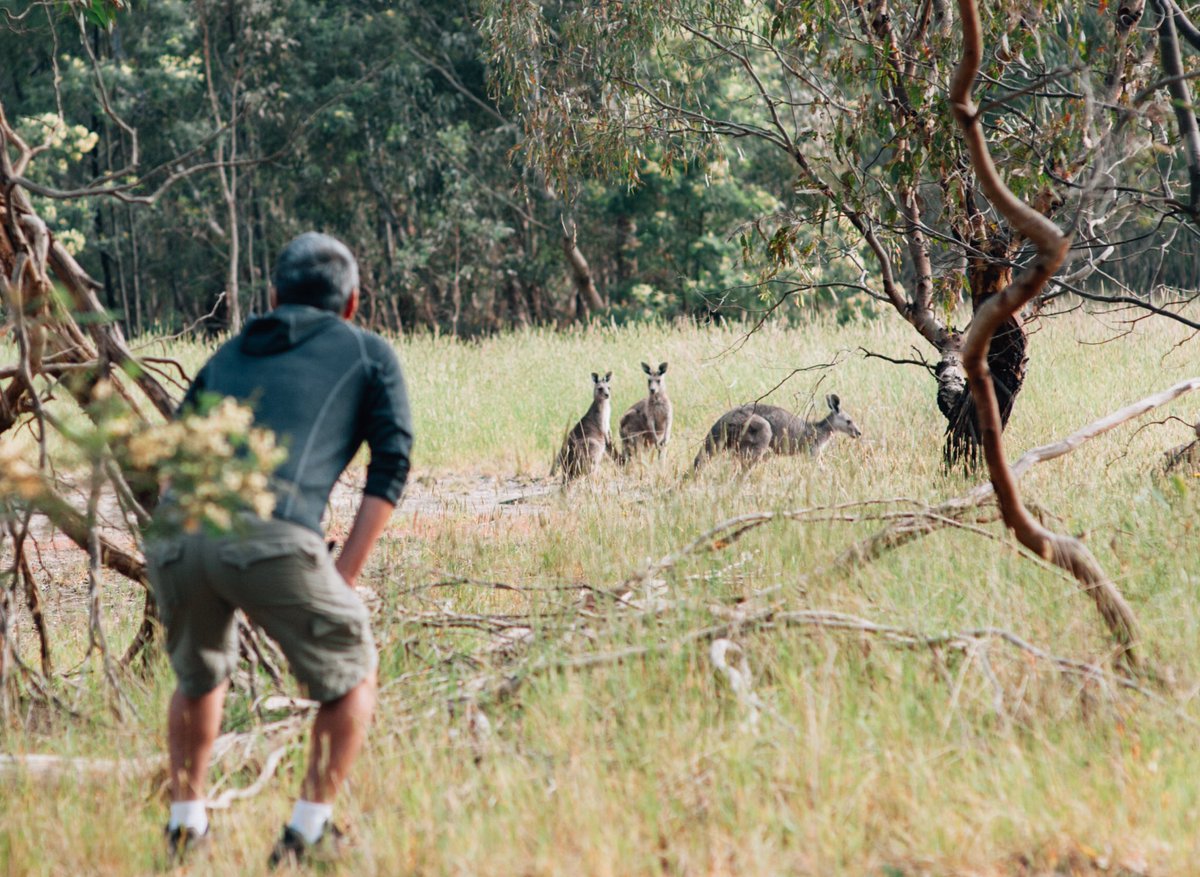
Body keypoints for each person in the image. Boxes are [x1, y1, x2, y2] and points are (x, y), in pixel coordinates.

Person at [146, 232, 412, 867]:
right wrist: (344, 575)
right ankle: (307, 833)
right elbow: (392, 466)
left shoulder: (229, 351)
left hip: (176, 534)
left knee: (198, 676)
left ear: (272, 297)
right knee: (353, 675)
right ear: (352, 303)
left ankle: (185, 829)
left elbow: (171, 462)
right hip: (270, 533)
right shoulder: (368, 352)